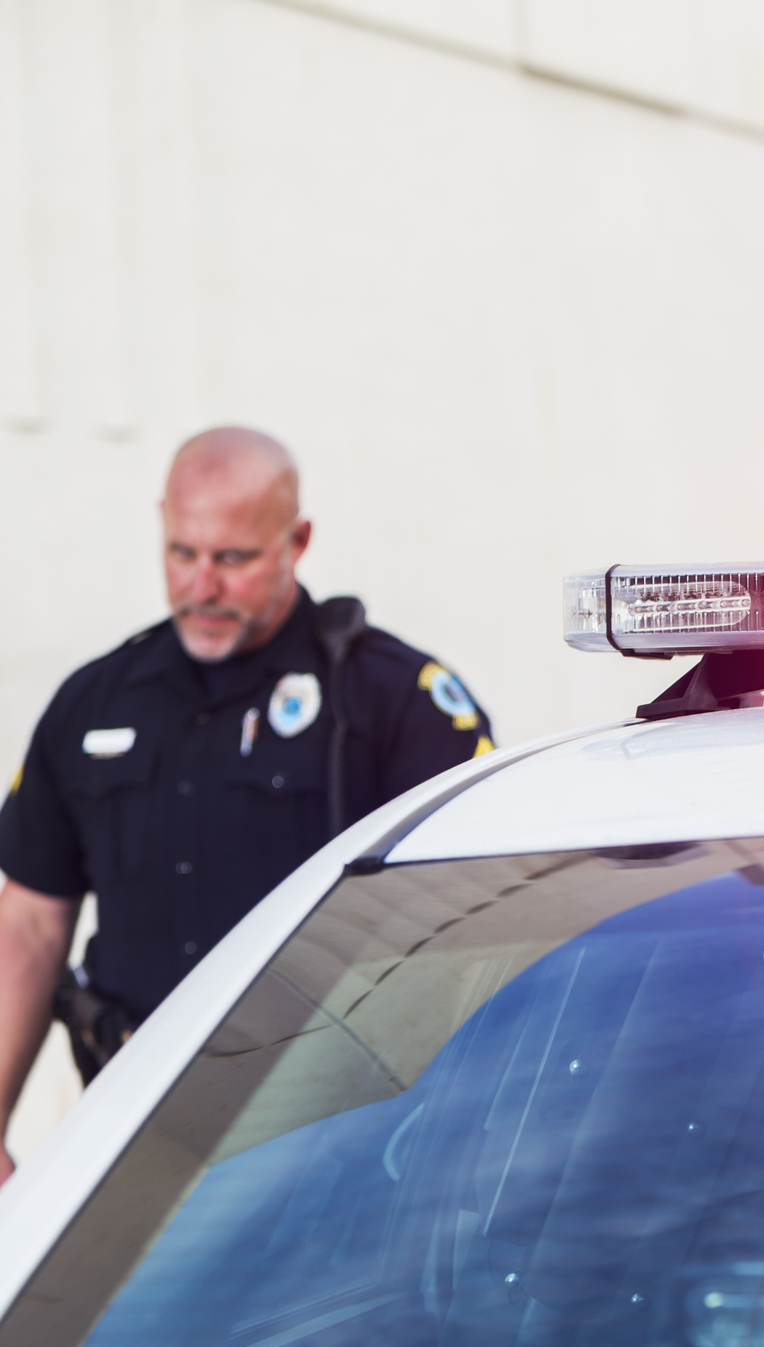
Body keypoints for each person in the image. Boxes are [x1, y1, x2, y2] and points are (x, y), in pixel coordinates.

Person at [0, 427, 494, 1181]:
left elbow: (478, 929)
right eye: (181, 553)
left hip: (335, 1144)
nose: (201, 587)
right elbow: (30, 923)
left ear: (296, 541)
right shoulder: (93, 703)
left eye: (232, 559)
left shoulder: (393, 700)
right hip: (129, 1135)